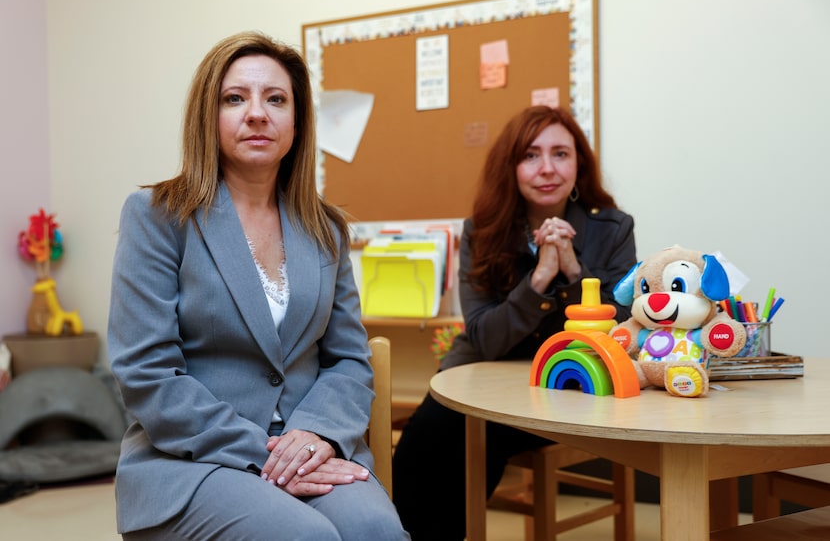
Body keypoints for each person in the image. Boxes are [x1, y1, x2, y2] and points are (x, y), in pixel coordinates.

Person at [107, 31, 409, 540]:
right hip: (190, 459)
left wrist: (316, 435)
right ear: (210, 114)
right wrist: (269, 454)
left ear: (297, 120)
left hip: (310, 443)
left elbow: (349, 360)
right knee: (305, 537)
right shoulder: (157, 216)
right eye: (234, 98)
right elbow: (146, 373)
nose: (256, 113)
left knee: (375, 531)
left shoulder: (325, 228)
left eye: (276, 99)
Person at [391, 105, 637, 540]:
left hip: (563, 387)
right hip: (481, 375)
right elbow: (483, 337)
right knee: (426, 439)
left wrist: (574, 270)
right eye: (530, 155)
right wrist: (540, 276)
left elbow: (621, 330)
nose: (547, 168)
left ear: (579, 164)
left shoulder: (613, 229)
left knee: (479, 443)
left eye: (560, 153)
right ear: (511, 167)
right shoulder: (482, 231)